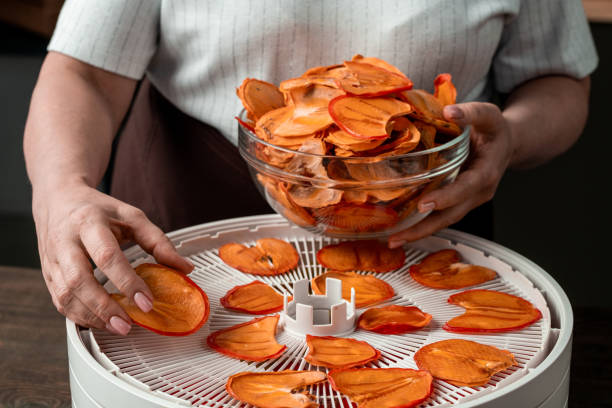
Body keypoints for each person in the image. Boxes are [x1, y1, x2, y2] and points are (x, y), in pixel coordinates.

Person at [24, 0, 597, 336]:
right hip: (191, 202)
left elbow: (559, 78)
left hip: (426, 223)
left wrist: (512, 137)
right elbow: (84, 72)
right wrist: (61, 189)